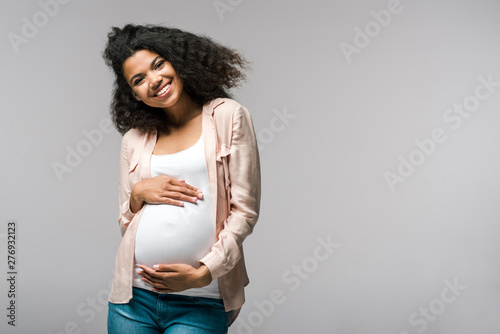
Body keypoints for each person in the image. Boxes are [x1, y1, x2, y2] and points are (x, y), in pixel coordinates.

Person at [102, 23, 261, 333]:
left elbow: (244, 211)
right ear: (133, 93)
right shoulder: (134, 139)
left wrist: (205, 272)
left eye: (158, 64)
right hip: (133, 299)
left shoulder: (227, 115)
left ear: (178, 60)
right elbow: (125, 221)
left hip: (200, 300)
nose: (154, 80)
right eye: (139, 79)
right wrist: (137, 195)